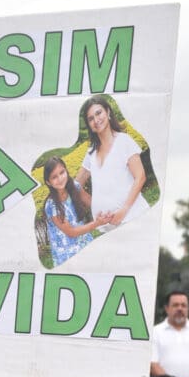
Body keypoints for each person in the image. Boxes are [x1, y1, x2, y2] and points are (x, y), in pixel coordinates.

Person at [75, 96, 149, 230]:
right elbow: (76, 185)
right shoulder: (91, 151)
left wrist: (123, 211)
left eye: (99, 113)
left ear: (108, 112)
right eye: (91, 118)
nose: (96, 120)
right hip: (107, 227)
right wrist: (95, 206)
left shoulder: (124, 141)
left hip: (132, 218)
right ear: (89, 125)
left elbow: (140, 177)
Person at [42, 156, 106, 265]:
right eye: (54, 177)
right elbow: (71, 232)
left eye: (62, 172)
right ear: (48, 182)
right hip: (67, 254)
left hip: (85, 241)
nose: (60, 178)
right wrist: (97, 223)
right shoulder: (52, 205)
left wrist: (107, 212)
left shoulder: (74, 187)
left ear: (66, 170)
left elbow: (91, 202)